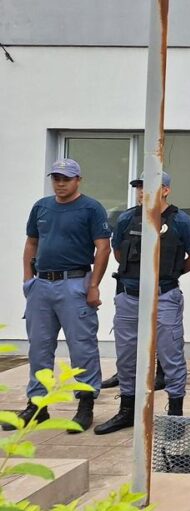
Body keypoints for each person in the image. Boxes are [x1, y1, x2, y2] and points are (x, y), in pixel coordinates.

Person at [95, 172, 190, 434]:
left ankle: (175, 415)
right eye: (139, 187)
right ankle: (127, 410)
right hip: (130, 297)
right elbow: (118, 253)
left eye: (149, 187)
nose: (142, 192)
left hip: (164, 296)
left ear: (165, 190)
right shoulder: (126, 218)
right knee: (127, 357)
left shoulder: (180, 220)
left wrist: (172, 273)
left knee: (171, 356)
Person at [8, 159, 110, 434]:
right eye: (56, 178)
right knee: (39, 348)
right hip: (41, 285)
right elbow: (32, 243)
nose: (60, 183)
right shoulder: (41, 207)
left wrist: (94, 285)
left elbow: (103, 248)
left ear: (78, 180)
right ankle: (37, 405)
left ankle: (85, 404)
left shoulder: (91, 208)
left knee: (82, 347)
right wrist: (28, 281)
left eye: (66, 178)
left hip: (74, 283)